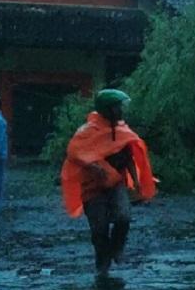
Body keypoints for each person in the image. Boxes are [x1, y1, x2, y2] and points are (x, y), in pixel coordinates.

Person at [60, 89, 156, 279]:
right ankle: (102, 263)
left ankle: (117, 249)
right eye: (117, 107)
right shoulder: (87, 133)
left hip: (116, 183)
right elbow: (74, 153)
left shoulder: (123, 132)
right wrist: (94, 167)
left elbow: (128, 158)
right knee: (99, 227)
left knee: (123, 216)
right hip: (92, 187)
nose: (121, 110)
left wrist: (136, 184)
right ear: (107, 109)